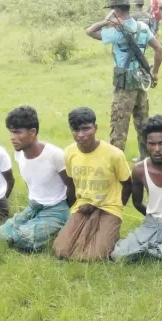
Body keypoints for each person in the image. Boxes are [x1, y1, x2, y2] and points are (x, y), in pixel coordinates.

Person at [85, 0, 162, 161]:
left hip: (125, 83)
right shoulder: (142, 27)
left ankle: (115, 162)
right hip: (142, 79)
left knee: (119, 123)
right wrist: (155, 73)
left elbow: (90, 31)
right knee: (142, 121)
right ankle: (146, 158)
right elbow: (159, 48)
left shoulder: (116, 32)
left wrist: (107, 21)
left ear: (117, 10)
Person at [53, 107, 132, 261]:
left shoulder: (114, 154)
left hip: (109, 208)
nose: (81, 135)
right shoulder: (69, 153)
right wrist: (74, 208)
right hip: (83, 206)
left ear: (95, 128)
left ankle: (112, 234)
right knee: (61, 250)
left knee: (92, 256)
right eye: (76, 130)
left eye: (86, 129)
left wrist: (117, 206)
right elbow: (71, 184)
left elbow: (127, 184)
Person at [0, 106, 69, 254]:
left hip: (56, 209)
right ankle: (31, 226)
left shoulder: (55, 155)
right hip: (34, 206)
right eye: (11, 132)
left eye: (17, 132)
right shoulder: (19, 154)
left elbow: (72, 187)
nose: (12, 137)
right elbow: (31, 183)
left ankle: (57, 228)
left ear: (32, 132)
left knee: (23, 239)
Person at [112, 115, 162, 267]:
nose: (157, 149)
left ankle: (154, 249)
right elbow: (136, 202)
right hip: (152, 224)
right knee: (118, 254)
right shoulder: (140, 170)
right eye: (151, 144)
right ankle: (159, 248)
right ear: (145, 144)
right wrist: (153, 218)